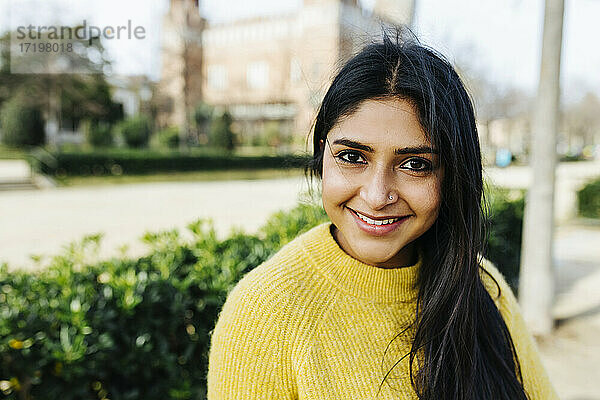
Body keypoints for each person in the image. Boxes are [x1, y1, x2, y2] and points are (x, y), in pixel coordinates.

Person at [206, 32, 558, 399]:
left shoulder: (482, 286)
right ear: (322, 153)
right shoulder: (264, 315)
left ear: (453, 174)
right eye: (352, 157)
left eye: (414, 164)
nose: (377, 196)